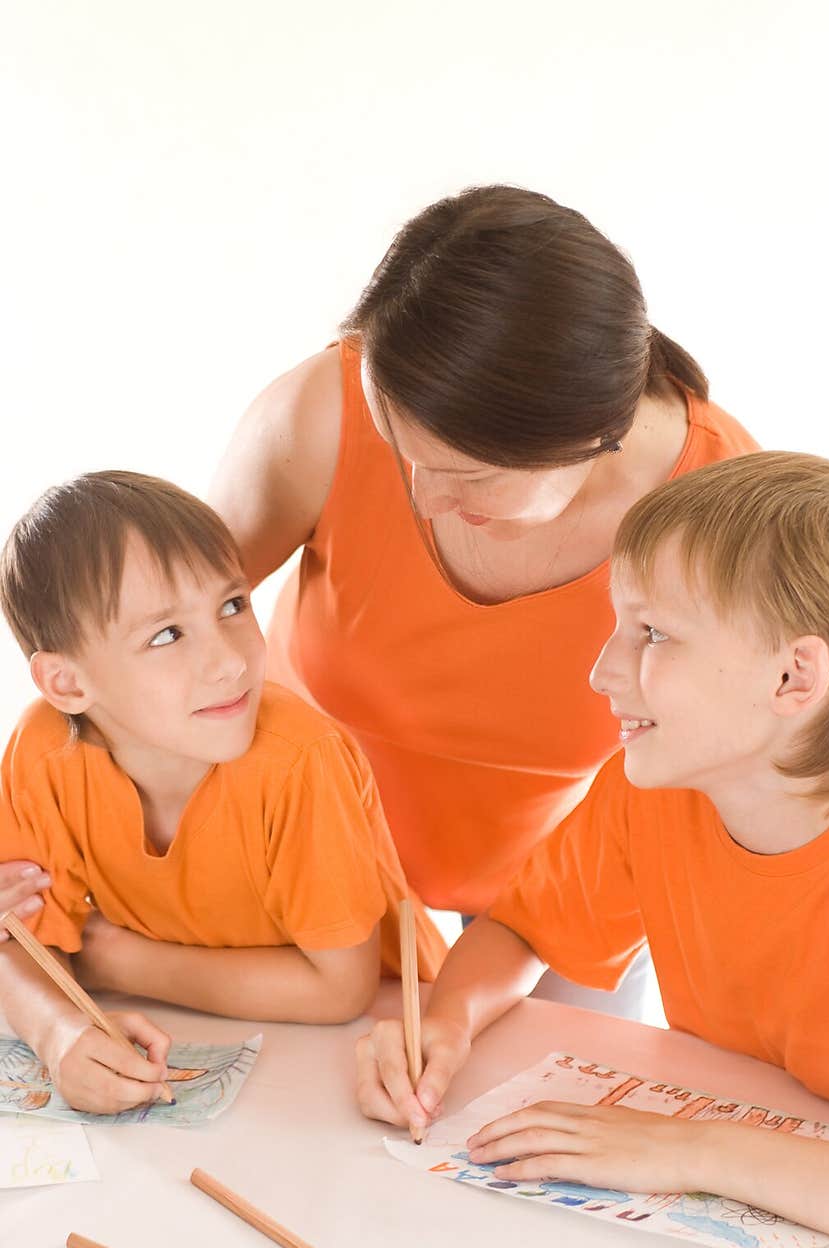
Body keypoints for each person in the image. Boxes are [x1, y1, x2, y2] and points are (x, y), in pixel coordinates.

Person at [208, 184, 758, 1018]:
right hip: (304, 855)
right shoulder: (320, 410)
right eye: (401, 453)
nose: (422, 502)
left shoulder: (719, 508)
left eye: (470, 479)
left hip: (553, 899)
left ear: (596, 440)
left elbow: (786, 735)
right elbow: (149, 632)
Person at [354, 452, 829, 1248]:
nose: (601, 672)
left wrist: (688, 1149)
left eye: (654, 633)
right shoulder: (650, 796)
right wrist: (449, 1023)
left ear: (794, 675)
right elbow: (524, 928)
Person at [0, 472, 444, 1114]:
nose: (230, 662)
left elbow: (339, 990)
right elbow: (22, 945)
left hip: (379, 1053)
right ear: (67, 684)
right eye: (166, 635)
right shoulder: (44, 751)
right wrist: (58, 1031)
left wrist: (109, 959)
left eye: (233, 605)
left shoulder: (298, 759)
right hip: (211, 1037)